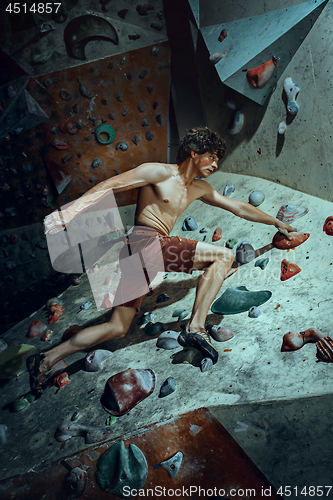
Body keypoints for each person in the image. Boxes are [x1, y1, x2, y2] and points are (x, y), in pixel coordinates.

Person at [27, 127, 296, 397]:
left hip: (144, 255)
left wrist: (275, 221)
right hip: (144, 241)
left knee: (117, 327)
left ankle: (47, 358)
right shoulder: (159, 172)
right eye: (212, 157)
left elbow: (238, 206)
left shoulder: (199, 188)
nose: (215, 164)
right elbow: (112, 184)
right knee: (224, 255)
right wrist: (71, 211)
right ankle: (195, 328)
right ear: (194, 152)